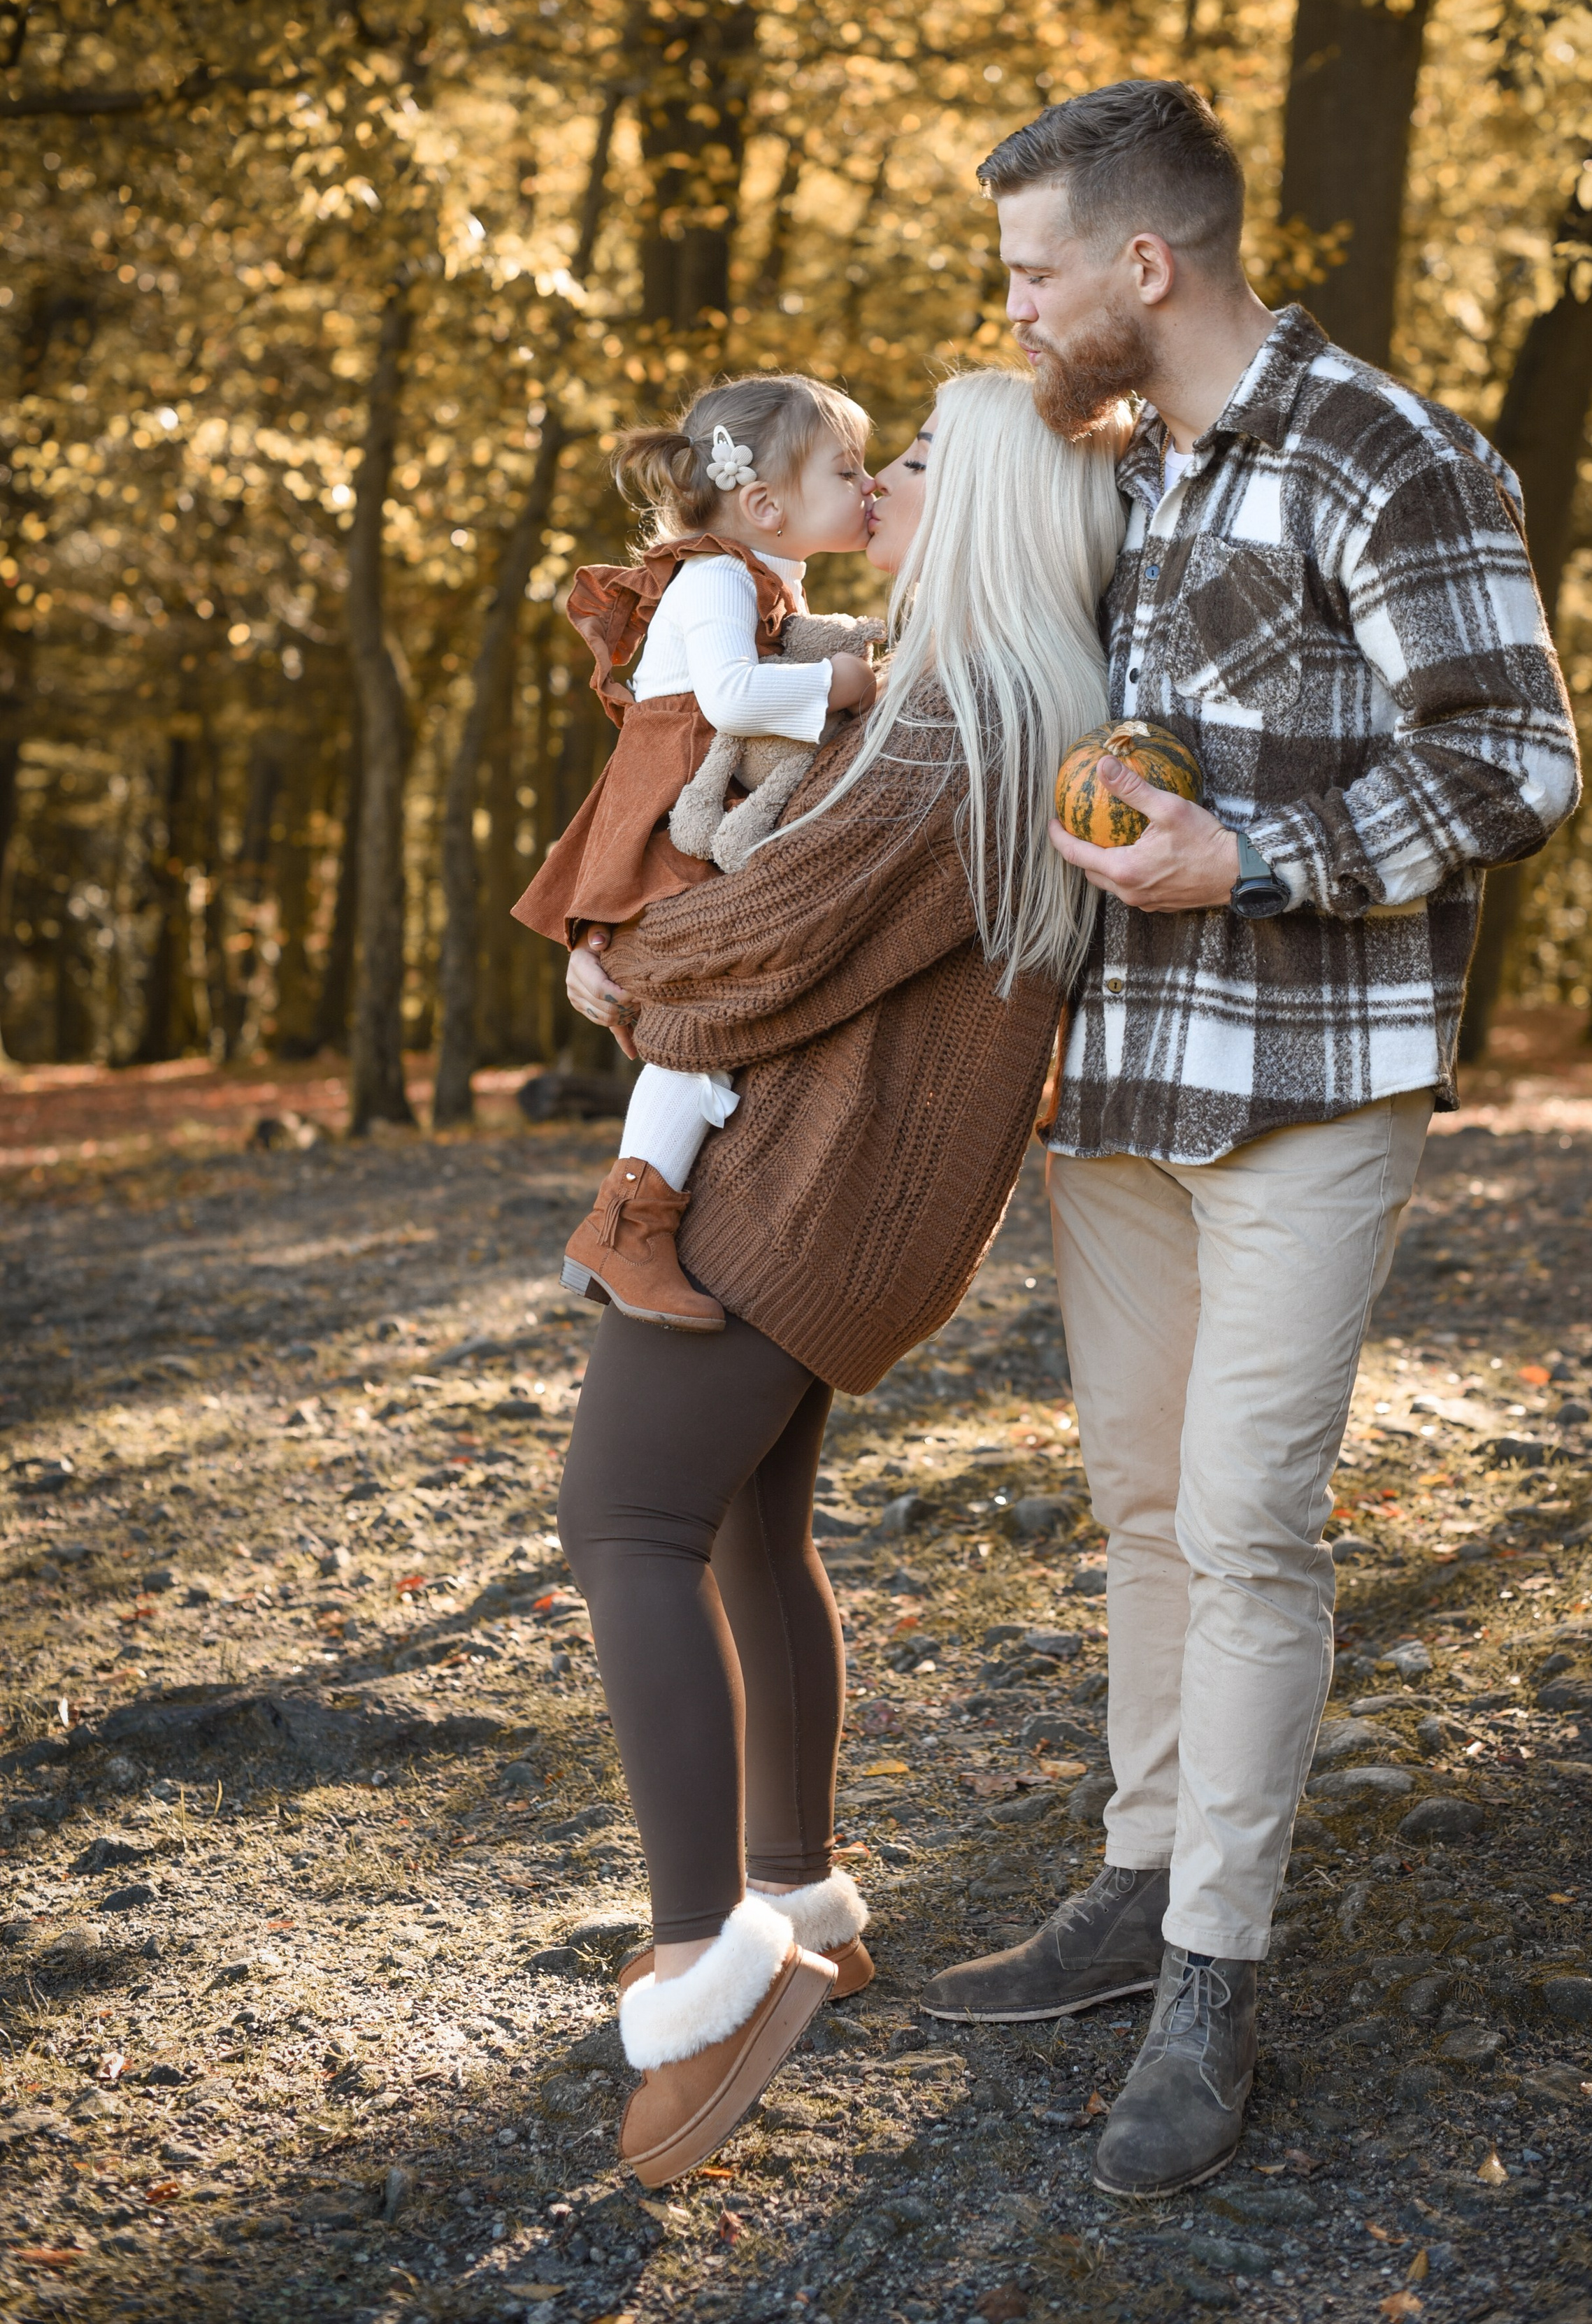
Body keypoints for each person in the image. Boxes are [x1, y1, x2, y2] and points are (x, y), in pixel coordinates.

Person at [917, 79, 1582, 2200]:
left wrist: (1260, 854)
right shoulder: (1148, 467)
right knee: (1134, 1501)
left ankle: (1215, 1971)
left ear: (1144, 264)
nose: (1010, 307)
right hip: (1125, 1078)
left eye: (1031, 271)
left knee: (1248, 1518)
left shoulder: (1386, 449)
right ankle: (1135, 1876)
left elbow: (1520, 755)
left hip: (1312, 1069)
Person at [541, 371, 1129, 2188]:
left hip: (799, 1194)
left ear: (994, 517)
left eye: (922, 466)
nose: (884, 488)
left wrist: (623, 961)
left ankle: (705, 1969)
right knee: (743, 1530)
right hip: (842, 1190)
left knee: (621, 1515)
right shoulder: (974, 693)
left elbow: (761, 936)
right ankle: (797, 1889)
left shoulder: (971, 711)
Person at [512, 373, 878, 1332]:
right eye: (849, 470)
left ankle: (644, 1216)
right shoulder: (717, 577)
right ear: (764, 503)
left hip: (692, 813)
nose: (870, 485)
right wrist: (842, 683)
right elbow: (725, 698)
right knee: (697, 1021)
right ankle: (626, 1224)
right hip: (672, 821)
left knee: (704, 1018)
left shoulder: (759, 575)